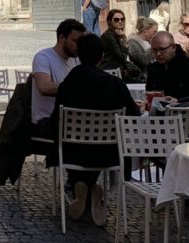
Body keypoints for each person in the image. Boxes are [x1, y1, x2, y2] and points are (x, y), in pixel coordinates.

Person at [53, 33, 139, 226]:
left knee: (74, 143)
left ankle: (81, 187)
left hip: (73, 152)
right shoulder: (115, 84)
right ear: (101, 57)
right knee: (99, 147)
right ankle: (91, 191)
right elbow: (133, 116)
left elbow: (56, 119)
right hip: (108, 154)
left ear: (78, 55)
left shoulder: (68, 84)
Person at [29, 19, 83, 135]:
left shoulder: (76, 60)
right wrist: (78, 88)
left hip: (69, 119)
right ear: (61, 38)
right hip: (46, 121)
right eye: (75, 41)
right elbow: (44, 88)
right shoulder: (43, 57)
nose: (79, 46)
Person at [146, 30, 189, 105]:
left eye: (162, 49)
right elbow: (149, 92)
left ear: (173, 47)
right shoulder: (153, 68)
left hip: (187, 110)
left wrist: (179, 101)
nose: (158, 54)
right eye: (154, 50)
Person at [100, 9, 142, 82]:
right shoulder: (108, 36)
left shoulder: (117, 35)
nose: (120, 22)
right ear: (109, 21)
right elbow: (122, 57)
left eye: (122, 19)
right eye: (116, 20)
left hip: (118, 70)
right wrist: (124, 41)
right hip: (111, 71)